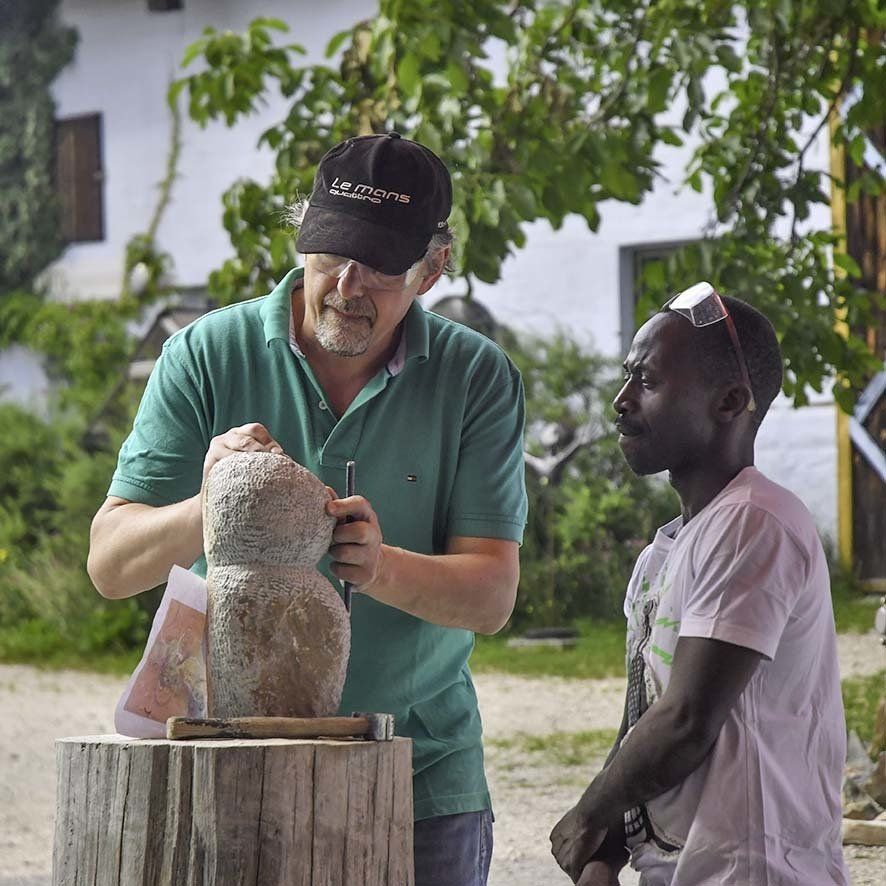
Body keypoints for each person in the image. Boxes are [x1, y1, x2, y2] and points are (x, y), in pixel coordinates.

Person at [87, 132, 528, 886]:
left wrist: (382, 568)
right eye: (329, 257)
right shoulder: (205, 353)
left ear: (433, 269)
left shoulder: (476, 377)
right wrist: (216, 505)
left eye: (380, 267)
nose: (347, 287)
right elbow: (109, 564)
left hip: (420, 781)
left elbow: (491, 598)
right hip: (230, 770)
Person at [550, 285, 848, 885]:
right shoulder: (665, 551)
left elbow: (686, 721)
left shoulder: (754, 522)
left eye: (649, 381)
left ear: (730, 401)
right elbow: (647, 716)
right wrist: (605, 848)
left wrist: (587, 814)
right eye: (628, 377)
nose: (621, 400)